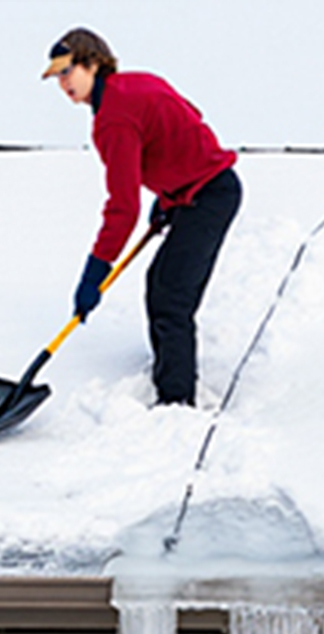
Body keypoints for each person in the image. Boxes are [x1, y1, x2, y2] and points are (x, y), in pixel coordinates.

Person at [44, 28, 241, 407]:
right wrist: (170, 193)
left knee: (170, 297)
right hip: (198, 192)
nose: (62, 83)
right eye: (57, 76)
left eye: (68, 71)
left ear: (94, 63)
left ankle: (176, 401)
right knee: (163, 285)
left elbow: (123, 207)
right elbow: (187, 119)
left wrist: (95, 271)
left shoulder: (112, 120)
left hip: (209, 196)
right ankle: (172, 374)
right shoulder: (137, 82)